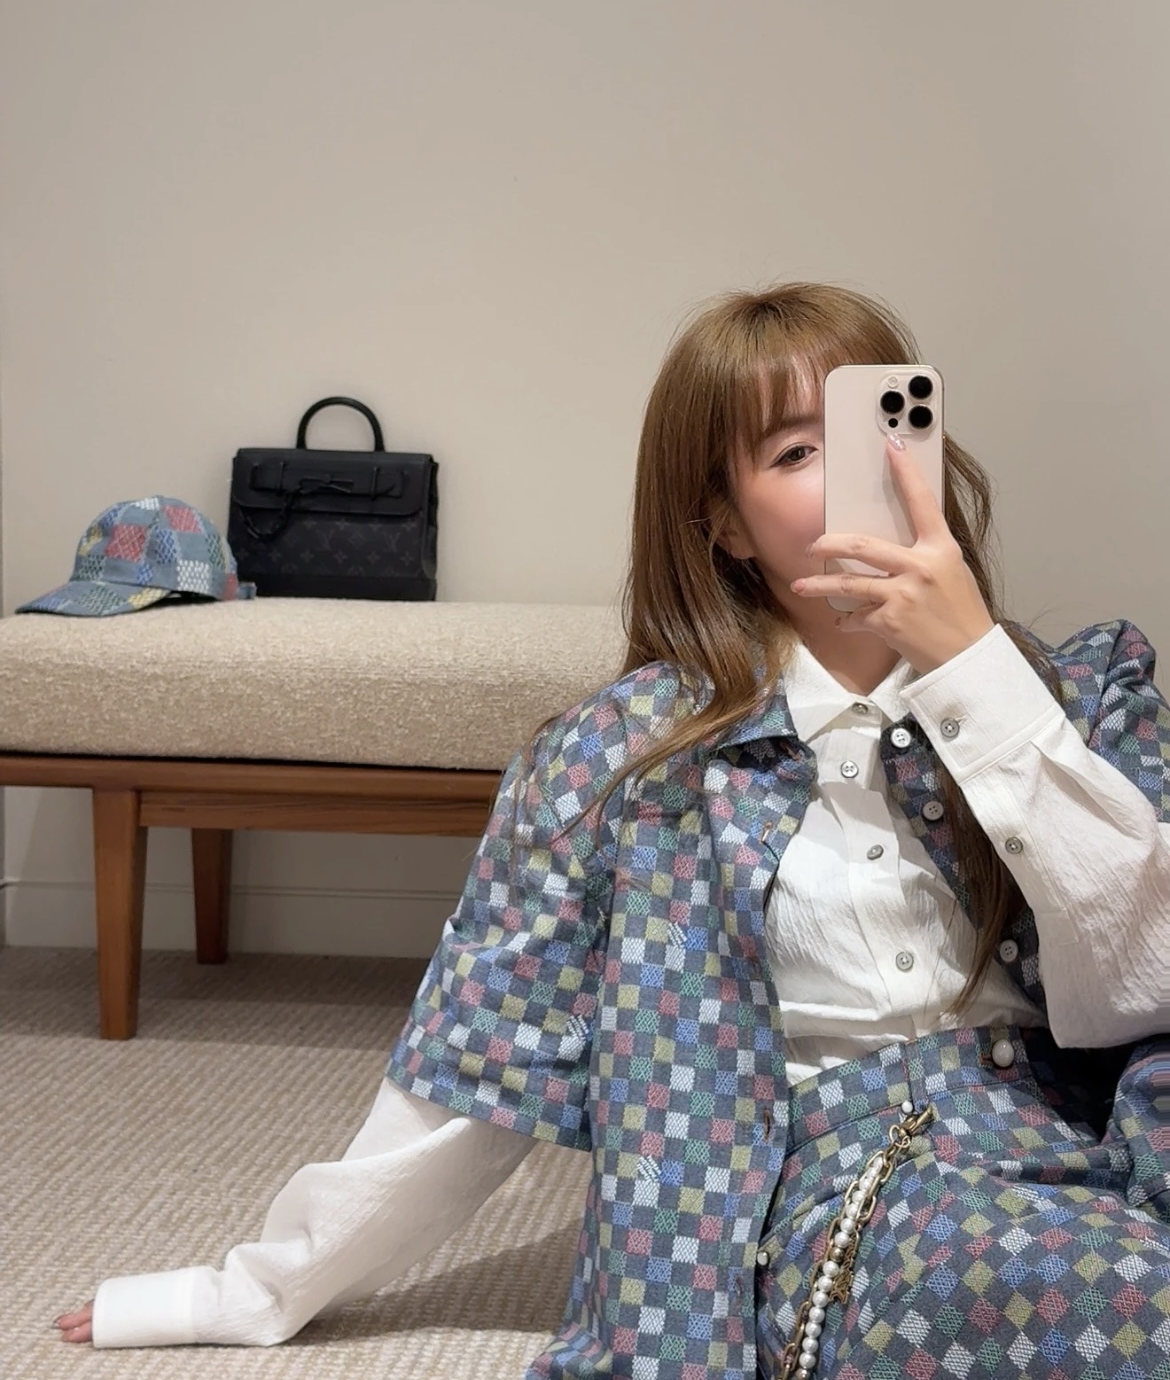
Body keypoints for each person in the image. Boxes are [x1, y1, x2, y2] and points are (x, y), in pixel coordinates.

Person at [57, 283, 1170, 1378]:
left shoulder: (1074, 695)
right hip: (875, 1190)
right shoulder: (626, 768)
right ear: (725, 523)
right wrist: (248, 1292)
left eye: (884, 425)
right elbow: (477, 1072)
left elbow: (1145, 980)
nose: (865, 472)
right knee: (1096, 1296)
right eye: (799, 450)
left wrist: (977, 677)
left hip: (1101, 1126)